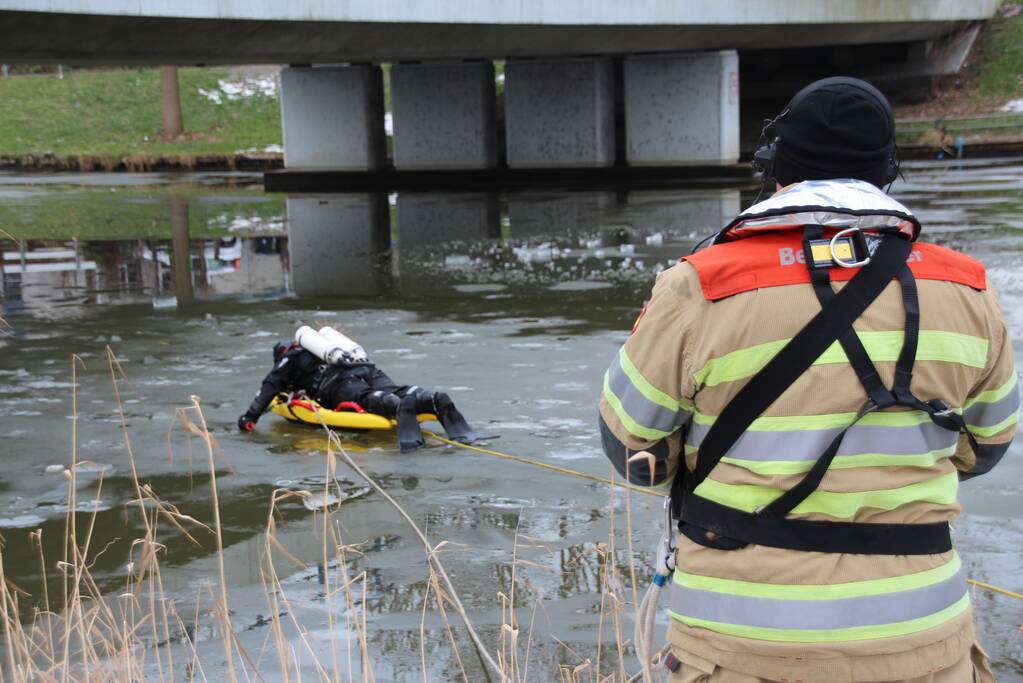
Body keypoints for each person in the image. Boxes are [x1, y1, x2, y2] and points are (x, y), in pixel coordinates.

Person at [599, 77, 1016, 683]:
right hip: (924, 641)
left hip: (743, 646)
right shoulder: (969, 288)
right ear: (886, 170)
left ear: (778, 166)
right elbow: (986, 448)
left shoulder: (702, 285)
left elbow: (631, 446)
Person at [238, 328, 476, 452]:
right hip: (367, 368)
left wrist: (249, 417)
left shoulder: (289, 358)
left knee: (366, 398)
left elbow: (269, 386)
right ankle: (431, 399)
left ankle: (395, 405)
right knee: (399, 390)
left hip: (338, 382)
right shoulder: (330, 350)